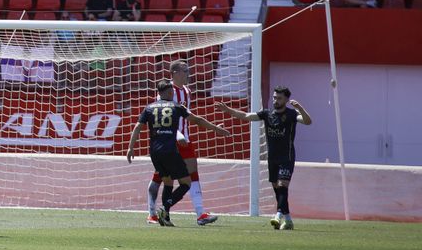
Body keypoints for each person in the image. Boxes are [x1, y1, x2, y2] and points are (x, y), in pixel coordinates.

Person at [125, 78, 228, 226]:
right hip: (170, 150)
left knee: (168, 182)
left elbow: (137, 127)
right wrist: (216, 129)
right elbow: (197, 120)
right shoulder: (176, 106)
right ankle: (165, 208)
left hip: (155, 152)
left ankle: (165, 218)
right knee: (186, 183)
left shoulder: (149, 108)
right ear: (169, 92)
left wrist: (130, 147)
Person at [222, 87, 312, 230]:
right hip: (272, 158)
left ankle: (278, 215)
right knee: (278, 190)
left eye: (279, 98)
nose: (276, 100)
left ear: (286, 100)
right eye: (275, 97)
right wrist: (229, 111)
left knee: (282, 186)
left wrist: (300, 108)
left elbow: (307, 121)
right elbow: (246, 116)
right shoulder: (267, 114)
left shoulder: (291, 114)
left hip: (287, 157)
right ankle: (288, 220)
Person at [167, 59, 225, 224]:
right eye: (185, 71)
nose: (188, 73)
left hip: (185, 140)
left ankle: (200, 213)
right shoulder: (167, 91)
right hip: (170, 140)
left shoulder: (187, 91)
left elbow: (190, 117)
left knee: (193, 174)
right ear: (175, 73)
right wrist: (177, 134)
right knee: (164, 179)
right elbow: (166, 118)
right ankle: (155, 212)